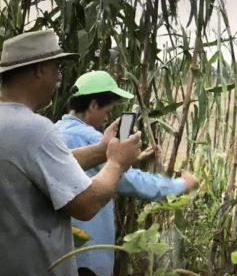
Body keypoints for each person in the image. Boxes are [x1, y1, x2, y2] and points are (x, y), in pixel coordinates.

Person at [0, 30, 142, 276]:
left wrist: (101, 151)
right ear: (39, 69)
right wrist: (117, 163)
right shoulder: (35, 129)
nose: (58, 79)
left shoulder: (12, 126)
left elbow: (37, 169)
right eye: (57, 69)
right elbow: (87, 203)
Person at [55, 70, 198, 276]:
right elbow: (132, 182)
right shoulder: (90, 138)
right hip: (88, 256)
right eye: (107, 111)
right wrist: (181, 184)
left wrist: (132, 159)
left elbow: (87, 168)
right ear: (93, 105)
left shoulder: (55, 131)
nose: (108, 117)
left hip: (63, 252)